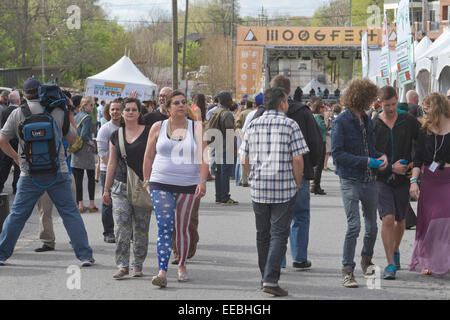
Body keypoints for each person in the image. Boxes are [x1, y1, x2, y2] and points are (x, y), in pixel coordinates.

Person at [0, 77, 94, 267]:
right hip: (58, 171)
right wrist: (68, 114)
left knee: (17, 214)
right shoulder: (58, 111)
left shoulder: (18, 112)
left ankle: (2, 254)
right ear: (42, 91)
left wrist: (16, 158)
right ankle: (84, 256)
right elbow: (73, 139)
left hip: (29, 173)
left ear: (24, 95)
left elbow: (2, 141)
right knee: (69, 213)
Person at [241, 87, 309, 297]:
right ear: (282, 103)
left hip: (259, 188)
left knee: (263, 235)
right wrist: (296, 183)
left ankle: (265, 277)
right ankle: (271, 279)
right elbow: (298, 159)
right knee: (279, 234)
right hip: (283, 187)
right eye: (287, 101)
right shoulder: (290, 124)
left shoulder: (253, 125)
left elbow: (243, 159)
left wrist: (253, 176)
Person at [143, 90, 209, 287]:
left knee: (182, 227)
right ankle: (162, 270)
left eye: (183, 102)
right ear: (168, 107)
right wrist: (147, 181)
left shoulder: (196, 128)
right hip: (160, 182)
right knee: (164, 226)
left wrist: (202, 181)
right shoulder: (158, 126)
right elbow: (148, 156)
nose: (181, 105)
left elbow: (204, 157)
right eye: (176, 103)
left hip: (188, 184)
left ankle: (181, 265)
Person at [331, 78, 388, 288]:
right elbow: (337, 155)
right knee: (354, 225)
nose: (373, 102)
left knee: (372, 227)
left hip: (370, 179)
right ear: (362, 97)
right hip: (350, 179)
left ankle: (366, 260)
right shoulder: (341, 121)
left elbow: (371, 149)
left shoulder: (367, 119)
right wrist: (367, 161)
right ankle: (347, 270)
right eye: (371, 98)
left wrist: (381, 157)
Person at [270, 75, 322, 271]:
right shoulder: (303, 112)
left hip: (270, 173)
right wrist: (313, 165)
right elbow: (316, 142)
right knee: (299, 215)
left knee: (275, 217)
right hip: (297, 171)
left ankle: (278, 259)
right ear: (289, 91)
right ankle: (299, 257)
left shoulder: (261, 112)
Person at [373, 86, 420, 280]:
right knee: (388, 219)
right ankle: (390, 263)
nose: (391, 108)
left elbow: (420, 144)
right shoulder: (374, 123)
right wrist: (389, 167)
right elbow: (370, 153)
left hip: (403, 178)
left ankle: (396, 248)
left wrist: (412, 163)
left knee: (401, 220)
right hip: (381, 178)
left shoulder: (407, 120)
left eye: (393, 104)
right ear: (380, 104)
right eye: (387, 105)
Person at [102, 98, 152, 279]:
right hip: (120, 186)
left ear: (139, 113)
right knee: (121, 227)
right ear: (121, 113)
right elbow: (111, 164)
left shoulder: (148, 133)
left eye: (134, 109)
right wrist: (106, 189)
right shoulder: (116, 135)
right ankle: (122, 265)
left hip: (142, 187)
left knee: (141, 227)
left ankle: (137, 264)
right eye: (127, 109)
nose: (130, 112)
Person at [409, 92, 450, 276]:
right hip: (429, 181)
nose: (425, 111)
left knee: (446, 220)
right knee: (428, 221)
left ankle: (445, 260)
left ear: (438, 107)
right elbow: (417, 159)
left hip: (447, 179)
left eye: (428, 107)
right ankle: (427, 260)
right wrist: (414, 182)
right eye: (423, 108)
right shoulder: (424, 129)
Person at [97, 99, 122, 244]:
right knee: (108, 201)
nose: (115, 112)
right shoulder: (105, 129)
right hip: (107, 171)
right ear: (108, 111)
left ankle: (127, 231)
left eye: (118, 109)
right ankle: (108, 232)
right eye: (112, 109)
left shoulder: (127, 127)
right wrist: (114, 169)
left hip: (125, 172)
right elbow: (102, 153)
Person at [210, 91, 239, 205]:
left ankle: (218, 196)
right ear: (227, 101)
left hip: (217, 146)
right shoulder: (226, 114)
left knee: (219, 172)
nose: (232, 102)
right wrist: (235, 148)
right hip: (226, 147)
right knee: (225, 173)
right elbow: (230, 133)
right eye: (230, 100)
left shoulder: (216, 111)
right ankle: (225, 197)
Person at [71, 96, 98, 213]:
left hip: (76, 150)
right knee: (91, 177)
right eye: (91, 105)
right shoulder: (87, 117)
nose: (92, 107)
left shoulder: (76, 116)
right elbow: (84, 134)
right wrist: (90, 142)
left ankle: (80, 205)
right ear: (85, 105)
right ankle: (91, 204)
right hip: (85, 150)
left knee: (78, 179)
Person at [0, 91, 21, 194]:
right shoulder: (20, 111)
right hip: (18, 142)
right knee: (18, 165)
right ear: (18, 100)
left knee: (4, 165)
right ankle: (16, 187)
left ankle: (0, 184)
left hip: (7, 142)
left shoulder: (5, 111)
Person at [311, 101, 331, 195]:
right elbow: (324, 127)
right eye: (323, 107)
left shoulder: (315, 117)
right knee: (319, 166)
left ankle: (316, 185)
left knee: (318, 166)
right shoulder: (317, 117)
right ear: (319, 108)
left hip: (318, 141)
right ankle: (316, 186)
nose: (324, 109)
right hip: (320, 142)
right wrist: (326, 120)